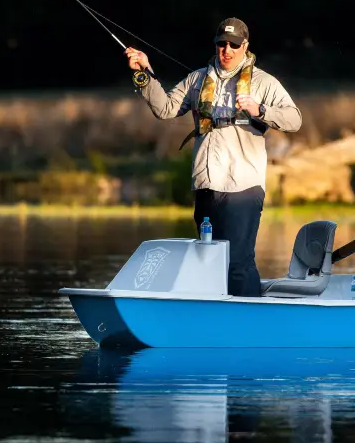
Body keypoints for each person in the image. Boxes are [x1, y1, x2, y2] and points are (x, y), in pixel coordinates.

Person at [124, 17, 302, 297]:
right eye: (222, 44)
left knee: (238, 263)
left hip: (242, 185)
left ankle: (249, 324)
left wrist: (261, 110)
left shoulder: (263, 82)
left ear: (245, 46)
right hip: (206, 184)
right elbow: (166, 109)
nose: (227, 50)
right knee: (209, 263)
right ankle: (216, 323)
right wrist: (144, 75)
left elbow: (294, 119)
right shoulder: (197, 79)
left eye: (234, 45)